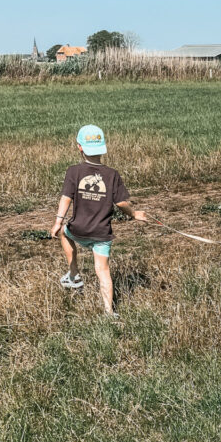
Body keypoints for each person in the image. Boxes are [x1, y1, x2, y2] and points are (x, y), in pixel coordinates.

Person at [51, 124, 148, 317]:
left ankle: (74, 274)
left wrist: (58, 221)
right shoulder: (112, 175)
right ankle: (109, 312)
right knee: (103, 271)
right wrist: (135, 214)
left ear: (79, 146)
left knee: (64, 232)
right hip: (102, 234)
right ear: (103, 147)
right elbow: (121, 203)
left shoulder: (73, 172)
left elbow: (65, 198)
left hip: (78, 229)